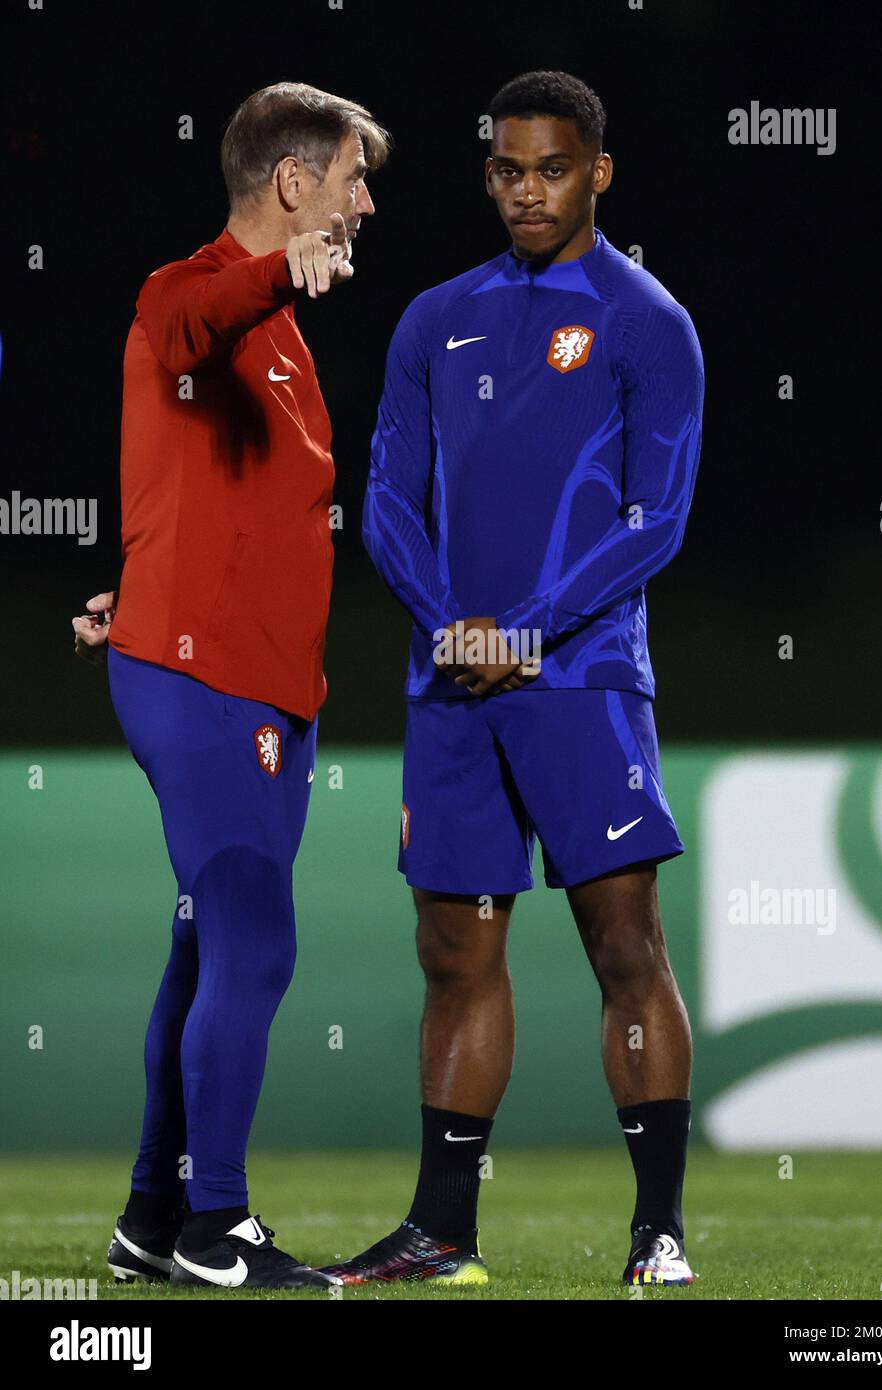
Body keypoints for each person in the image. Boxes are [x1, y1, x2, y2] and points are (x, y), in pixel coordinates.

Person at [320, 71, 703, 1290]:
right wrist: (449, 627)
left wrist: (525, 629)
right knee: (452, 950)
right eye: (507, 170)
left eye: (552, 168)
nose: (527, 191)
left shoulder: (649, 321)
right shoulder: (435, 318)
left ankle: (656, 1234)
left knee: (623, 946)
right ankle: (442, 1232)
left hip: (583, 680)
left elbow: (658, 517)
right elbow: (383, 495)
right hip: (451, 685)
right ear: (485, 173)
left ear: (599, 171)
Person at [72, 80, 387, 1290]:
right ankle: (219, 1227)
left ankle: (154, 1221)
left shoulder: (286, 337)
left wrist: (140, 578)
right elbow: (190, 324)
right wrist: (278, 269)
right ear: (293, 180)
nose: (365, 203)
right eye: (352, 178)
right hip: (199, 683)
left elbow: (209, 498)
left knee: (208, 948)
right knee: (253, 936)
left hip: (267, 692)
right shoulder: (192, 292)